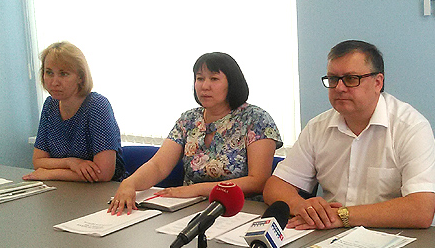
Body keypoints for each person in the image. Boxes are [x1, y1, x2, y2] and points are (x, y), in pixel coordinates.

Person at [263, 40, 435, 230]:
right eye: (333, 79)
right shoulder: (317, 127)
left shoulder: (411, 127)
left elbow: (421, 210)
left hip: (401, 239)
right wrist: (301, 206)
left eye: (351, 79)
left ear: (377, 82)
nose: (339, 87)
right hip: (332, 238)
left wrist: (340, 216)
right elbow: (275, 186)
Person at [108, 52, 282, 215]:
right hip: (190, 209)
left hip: (240, 211)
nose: (205, 86)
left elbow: (258, 181)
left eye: (214, 79)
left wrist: (195, 189)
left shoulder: (256, 119)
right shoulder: (189, 119)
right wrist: (130, 183)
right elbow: (158, 166)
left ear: (232, 83)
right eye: (200, 78)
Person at [23, 42, 125, 183]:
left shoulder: (97, 105)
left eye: (64, 74)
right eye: (49, 73)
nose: (54, 82)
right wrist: (71, 162)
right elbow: (38, 161)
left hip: (103, 191)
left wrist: (51, 174)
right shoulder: (50, 105)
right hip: (64, 189)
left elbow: (103, 173)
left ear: (80, 77)